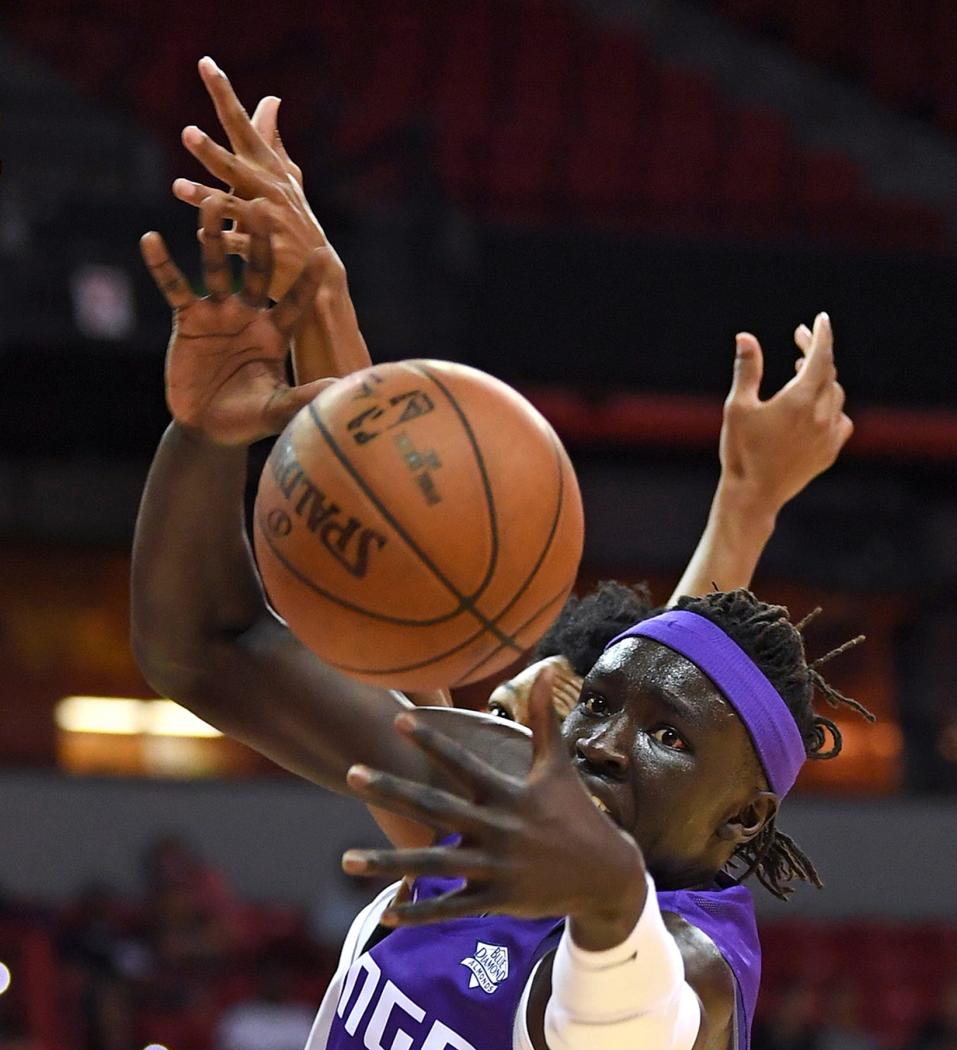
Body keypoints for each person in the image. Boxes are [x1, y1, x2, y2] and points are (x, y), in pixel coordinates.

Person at [133, 192, 869, 1050]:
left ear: (743, 830)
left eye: (664, 738)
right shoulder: (477, 814)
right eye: (590, 706)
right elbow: (202, 647)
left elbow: (631, 998)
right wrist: (211, 431)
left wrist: (607, 899)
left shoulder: (687, 979)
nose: (605, 744)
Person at [172, 58, 854, 725]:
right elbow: (389, 551)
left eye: (552, 726)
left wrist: (747, 505)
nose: (502, 745)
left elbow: (638, 697)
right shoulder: (470, 803)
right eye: (500, 714)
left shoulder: (603, 818)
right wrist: (319, 286)